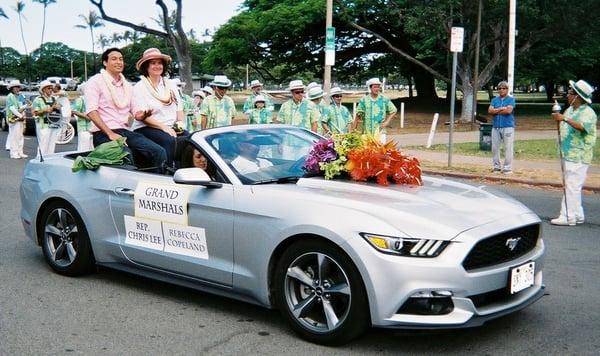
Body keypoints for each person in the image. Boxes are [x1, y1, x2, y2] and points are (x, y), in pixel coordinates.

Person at [84, 47, 167, 172]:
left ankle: (155, 184)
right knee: (127, 156)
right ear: (105, 62)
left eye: (121, 59)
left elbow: (137, 113)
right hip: (103, 133)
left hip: (124, 131)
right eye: (114, 59)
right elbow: (91, 112)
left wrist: (144, 115)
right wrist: (110, 134)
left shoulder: (127, 85)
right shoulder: (95, 81)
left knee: (159, 151)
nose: (119, 62)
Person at [550, 79, 597, 226]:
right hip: (567, 152)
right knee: (573, 186)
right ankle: (577, 214)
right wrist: (559, 119)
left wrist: (564, 119)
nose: (568, 95)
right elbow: (564, 122)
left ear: (578, 97)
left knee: (571, 186)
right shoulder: (570, 110)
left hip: (579, 155)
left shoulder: (589, 112)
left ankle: (567, 216)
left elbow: (583, 127)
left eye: (570, 93)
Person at [131, 48, 185, 168]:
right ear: (146, 66)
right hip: (147, 127)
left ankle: (186, 173)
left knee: (190, 139)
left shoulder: (170, 85)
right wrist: (164, 128)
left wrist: (180, 123)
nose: (157, 66)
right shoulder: (139, 87)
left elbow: (179, 109)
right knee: (169, 140)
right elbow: (143, 117)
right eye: (153, 63)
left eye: (160, 63)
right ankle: (167, 173)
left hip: (170, 127)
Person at [487, 80, 516, 174]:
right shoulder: (494, 100)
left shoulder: (511, 99)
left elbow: (508, 111)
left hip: (507, 126)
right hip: (496, 126)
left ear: (507, 89)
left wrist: (496, 111)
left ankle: (507, 167)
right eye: (499, 88)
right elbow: (490, 111)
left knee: (508, 147)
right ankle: (496, 167)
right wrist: (500, 109)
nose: (501, 90)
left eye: (504, 88)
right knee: (495, 147)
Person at [32, 80, 62, 156]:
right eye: (49, 88)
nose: (51, 90)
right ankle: (40, 159)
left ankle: (50, 159)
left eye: (51, 88)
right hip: (43, 124)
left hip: (53, 123)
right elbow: (34, 112)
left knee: (52, 144)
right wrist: (44, 110)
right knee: (43, 143)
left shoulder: (54, 99)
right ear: (43, 89)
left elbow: (59, 110)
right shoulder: (38, 99)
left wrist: (58, 107)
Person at [5, 80, 28, 159]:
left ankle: (20, 152)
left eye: (18, 87)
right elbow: (12, 108)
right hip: (13, 118)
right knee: (14, 136)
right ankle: (14, 153)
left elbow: (21, 107)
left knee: (20, 136)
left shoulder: (20, 96)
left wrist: (27, 105)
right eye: (16, 87)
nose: (18, 89)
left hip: (20, 118)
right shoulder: (10, 96)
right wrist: (20, 116)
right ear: (12, 88)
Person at [71, 84, 94, 152]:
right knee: (84, 149)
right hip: (83, 128)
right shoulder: (80, 99)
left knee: (91, 148)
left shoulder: (91, 99)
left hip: (92, 128)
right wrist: (87, 117)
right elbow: (74, 111)